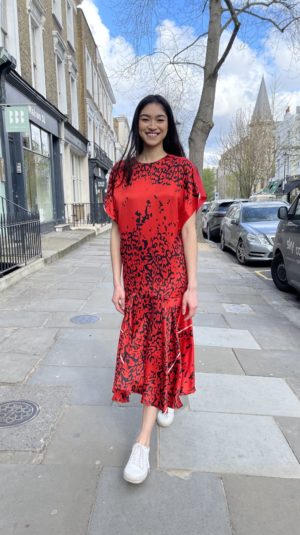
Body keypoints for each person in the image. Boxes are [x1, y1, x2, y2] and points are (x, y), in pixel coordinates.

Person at [104, 94, 207, 485]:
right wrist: (117, 281)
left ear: (168, 125)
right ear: (136, 124)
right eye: (145, 119)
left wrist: (193, 286)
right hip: (136, 278)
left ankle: (142, 443)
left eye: (159, 119)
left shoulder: (182, 170)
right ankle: (164, 397)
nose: (152, 125)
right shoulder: (121, 172)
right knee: (148, 348)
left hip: (169, 276)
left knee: (156, 348)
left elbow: (188, 230)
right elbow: (115, 228)